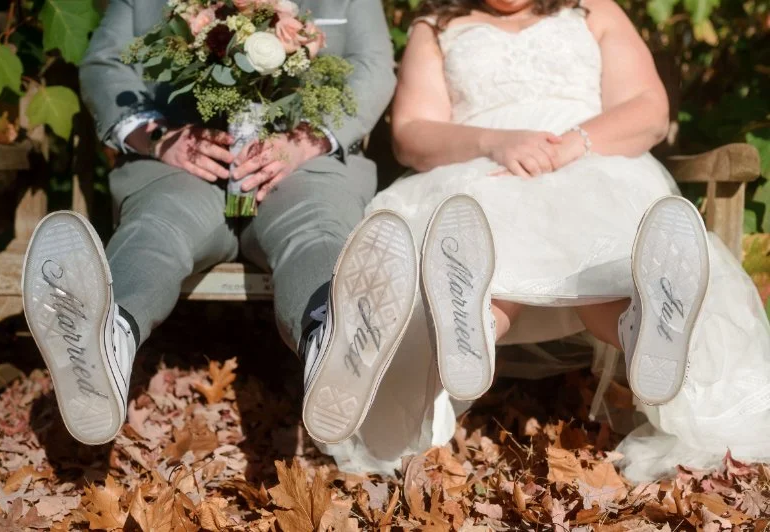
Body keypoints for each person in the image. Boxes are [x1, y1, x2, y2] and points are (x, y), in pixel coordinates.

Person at [315, 0, 770, 481]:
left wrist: (573, 143)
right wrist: (496, 143)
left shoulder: (593, 11)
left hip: (595, 160)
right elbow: (411, 133)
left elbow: (648, 110)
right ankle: (471, 331)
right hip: (480, 167)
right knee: (477, 233)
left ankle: (644, 327)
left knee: (603, 251)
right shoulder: (437, 26)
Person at [20, 0, 395, 446]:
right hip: (184, 168)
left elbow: (373, 66)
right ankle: (105, 342)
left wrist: (305, 141)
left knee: (315, 230)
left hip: (298, 170)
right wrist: (158, 138)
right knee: (158, 226)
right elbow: (105, 62)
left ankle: (331, 340)